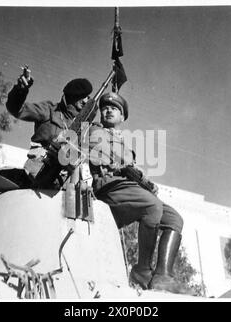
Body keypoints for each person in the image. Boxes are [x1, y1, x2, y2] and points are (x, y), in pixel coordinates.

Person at [88, 92, 186, 293]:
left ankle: (163, 276)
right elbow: (103, 161)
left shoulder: (124, 141)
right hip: (110, 187)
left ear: (122, 117)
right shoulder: (95, 132)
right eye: (105, 108)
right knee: (152, 207)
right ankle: (142, 270)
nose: (108, 110)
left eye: (114, 109)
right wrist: (128, 170)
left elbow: (132, 168)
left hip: (130, 187)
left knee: (175, 219)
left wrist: (147, 182)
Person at [5, 67, 93, 186]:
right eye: (84, 97)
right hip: (38, 173)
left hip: (66, 182)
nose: (87, 101)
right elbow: (17, 110)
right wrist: (20, 90)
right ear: (73, 96)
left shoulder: (84, 127)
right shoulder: (50, 110)